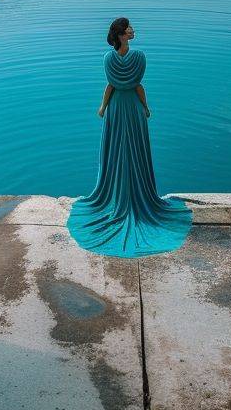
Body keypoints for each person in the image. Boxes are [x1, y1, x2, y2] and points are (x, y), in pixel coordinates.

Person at [67, 17, 191, 257]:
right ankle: (139, 197)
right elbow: (137, 85)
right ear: (121, 34)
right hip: (132, 109)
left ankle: (114, 197)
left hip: (116, 108)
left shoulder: (108, 58)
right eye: (129, 28)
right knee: (135, 151)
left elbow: (110, 85)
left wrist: (103, 107)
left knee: (116, 151)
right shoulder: (139, 57)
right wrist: (146, 107)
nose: (133, 30)